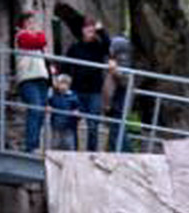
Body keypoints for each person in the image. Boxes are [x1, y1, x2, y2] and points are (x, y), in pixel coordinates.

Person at [63, 17, 110, 152]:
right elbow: (66, 66)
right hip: (76, 90)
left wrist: (101, 31)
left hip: (94, 91)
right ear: (82, 30)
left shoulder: (99, 46)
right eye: (86, 27)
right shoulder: (75, 47)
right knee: (73, 122)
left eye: (92, 27)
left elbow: (108, 46)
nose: (89, 30)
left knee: (93, 124)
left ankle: (91, 153)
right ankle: (74, 151)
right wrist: (64, 83)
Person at [14, 11, 50, 153]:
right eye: (28, 22)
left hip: (41, 78)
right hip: (28, 79)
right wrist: (39, 33)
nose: (32, 25)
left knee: (40, 113)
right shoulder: (21, 36)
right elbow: (41, 41)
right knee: (35, 109)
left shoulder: (33, 37)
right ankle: (31, 146)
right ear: (22, 24)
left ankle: (34, 144)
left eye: (33, 22)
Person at [103, 34, 133, 152]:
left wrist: (115, 71)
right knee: (115, 127)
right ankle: (111, 150)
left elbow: (124, 80)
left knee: (117, 127)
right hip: (115, 98)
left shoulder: (123, 60)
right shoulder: (114, 60)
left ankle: (127, 153)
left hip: (121, 98)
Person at [47, 74, 81, 151]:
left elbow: (78, 108)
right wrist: (49, 107)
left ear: (69, 85)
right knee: (55, 143)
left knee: (69, 144)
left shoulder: (73, 97)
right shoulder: (54, 96)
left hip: (69, 126)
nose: (63, 86)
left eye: (65, 84)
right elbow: (49, 103)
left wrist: (77, 113)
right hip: (56, 124)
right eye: (61, 83)